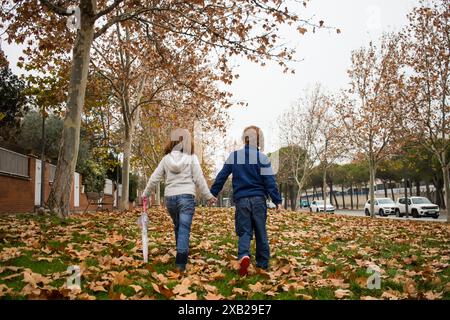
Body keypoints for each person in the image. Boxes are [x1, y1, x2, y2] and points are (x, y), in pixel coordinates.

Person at [209, 126, 282, 276]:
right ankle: (262, 264)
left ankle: (244, 255)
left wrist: (213, 193)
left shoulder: (234, 156)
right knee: (261, 232)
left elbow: (222, 176)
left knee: (244, 231)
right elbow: (270, 182)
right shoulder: (263, 158)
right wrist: (277, 201)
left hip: (242, 201)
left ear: (244, 139)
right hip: (258, 201)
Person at [142, 130, 216, 272]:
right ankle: (181, 261)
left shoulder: (166, 159)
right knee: (184, 227)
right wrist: (208, 196)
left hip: (170, 198)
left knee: (178, 226)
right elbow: (199, 178)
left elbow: (154, 178)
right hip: (186, 196)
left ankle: (180, 250)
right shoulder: (192, 157)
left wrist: (145, 194)